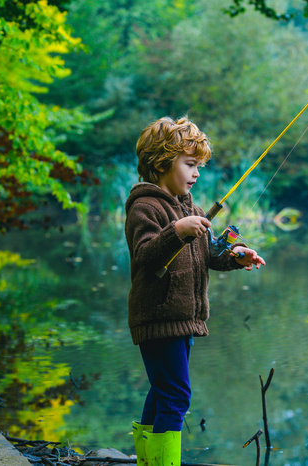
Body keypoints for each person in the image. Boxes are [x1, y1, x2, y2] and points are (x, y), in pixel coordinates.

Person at [125, 116, 265, 466]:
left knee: (163, 394)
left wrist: (236, 256)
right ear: (161, 163)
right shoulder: (145, 207)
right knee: (176, 397)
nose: (197, 173)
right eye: (190, 164)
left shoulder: (192, 209)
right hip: (158, 318)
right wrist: (177, 230)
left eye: (198, 166)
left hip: (183, 319)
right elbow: (145, 254)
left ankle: (148, 460)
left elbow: (209, 254)